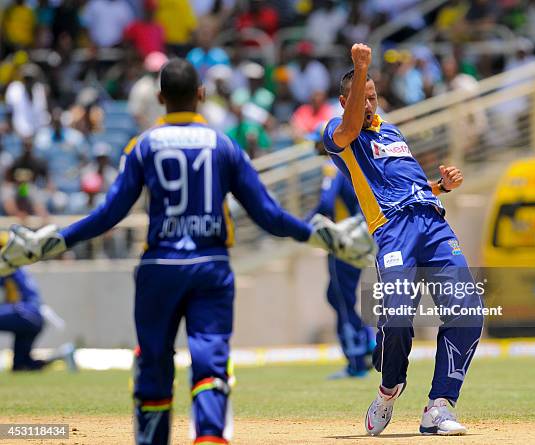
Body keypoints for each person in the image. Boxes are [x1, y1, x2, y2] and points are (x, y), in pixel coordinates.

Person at [1, 59, 372, 445]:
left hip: (158, 267)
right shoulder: (223, 145)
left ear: (160, 98)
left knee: (154, 361)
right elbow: (268, 214)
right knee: (210, 361)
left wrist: (55, 241)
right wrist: (322, 237)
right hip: (211, 268)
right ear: (201, 95)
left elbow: (108, 214)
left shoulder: (142, 145)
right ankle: (209, 437)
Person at [322, 44, 483, 436]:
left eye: (375, 97)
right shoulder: (337, 133)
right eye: (363, 96)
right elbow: (347, 129)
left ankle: (439, 407)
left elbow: (407, 184)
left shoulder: (392, 132)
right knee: (396, 321)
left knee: (468, 311)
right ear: (346, 99)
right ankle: (388, 389)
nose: (371, 104)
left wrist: (438, 186)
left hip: (431, 222)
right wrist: (361, 68)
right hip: (393, 232)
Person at [309, 124, 373, 379]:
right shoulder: (351, 162)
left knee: (341, 298)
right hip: (358, 236)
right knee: (337, 296)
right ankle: (368, 340)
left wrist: (302, 226)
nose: (314, 146)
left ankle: (356, 362)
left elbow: (325, 203)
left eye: (316, 141)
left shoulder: (331, 165)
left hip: (344, 239)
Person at [0, 232, 75, 371]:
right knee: (21, 366)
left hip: (23, 312)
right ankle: (62, 355)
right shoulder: (17, 264)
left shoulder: (6, 265)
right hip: (34, 316)